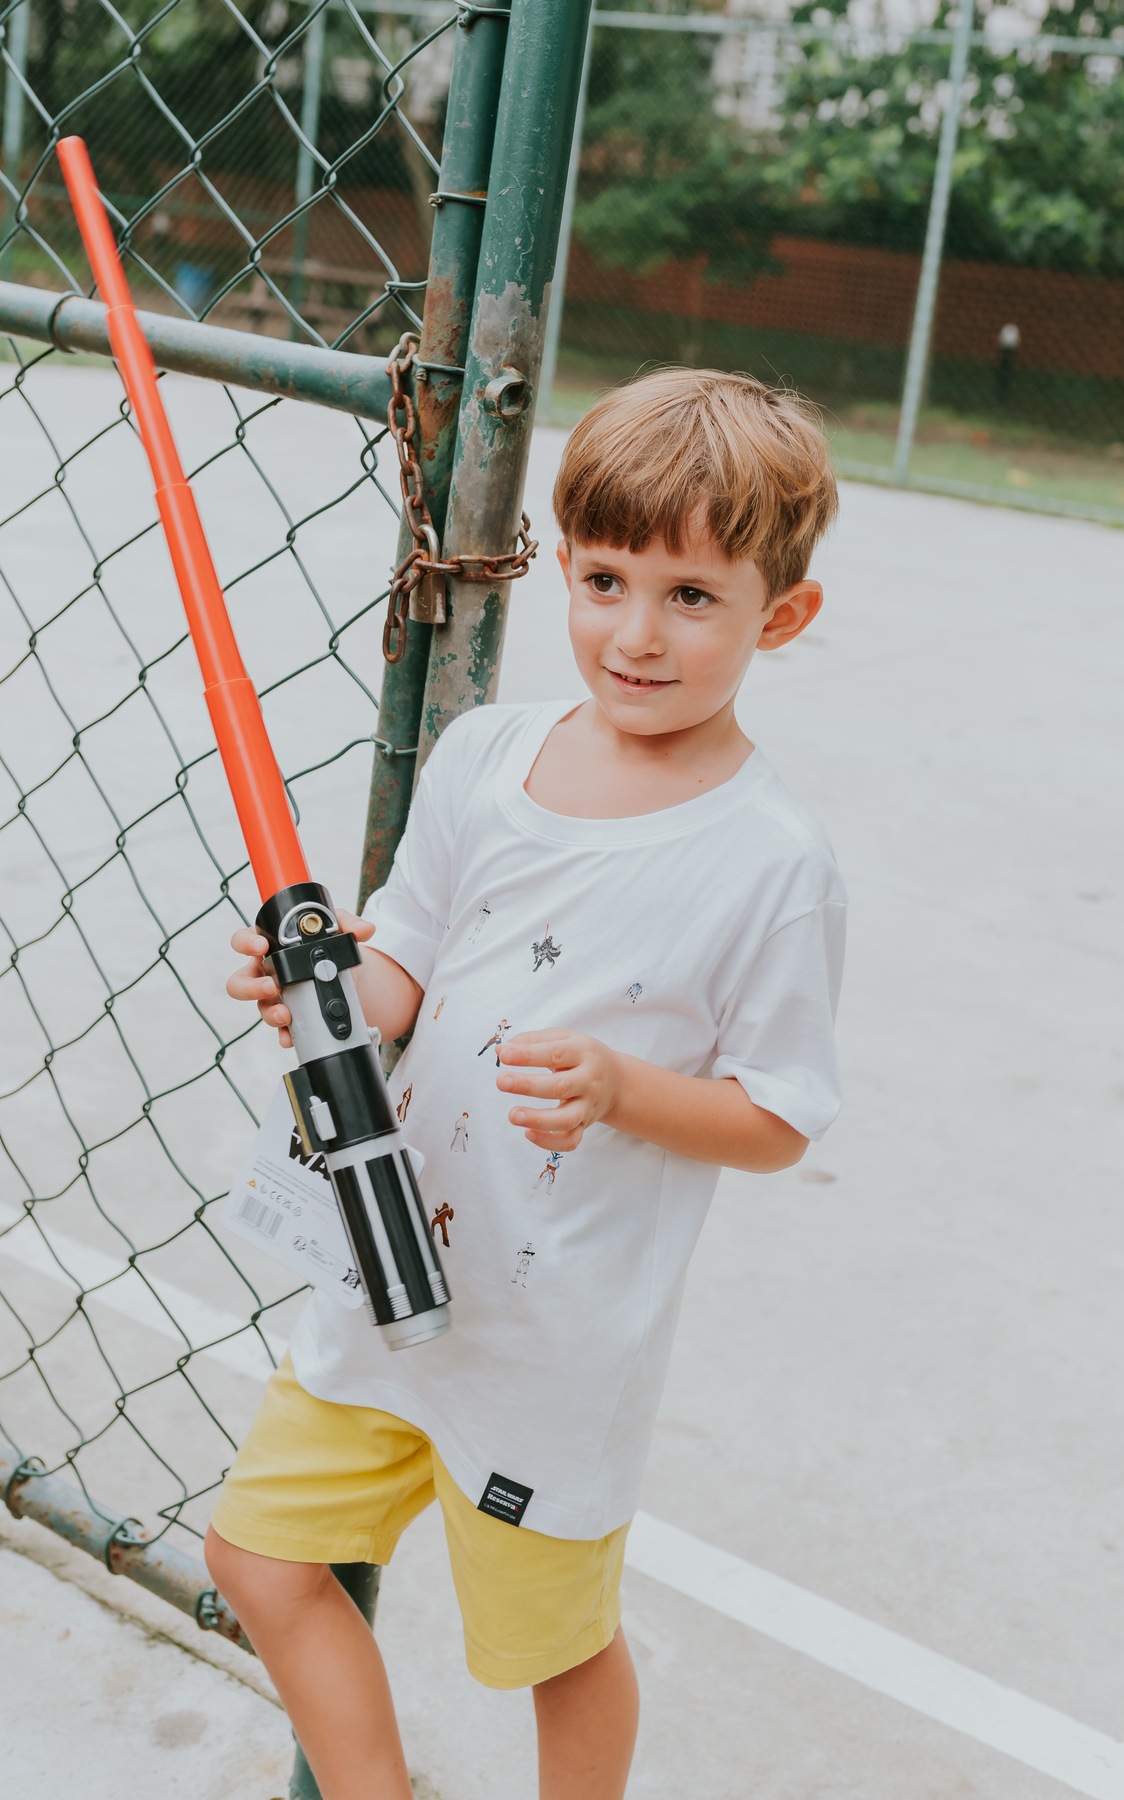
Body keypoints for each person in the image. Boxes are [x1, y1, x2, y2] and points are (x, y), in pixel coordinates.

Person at [206, 367, 845, 1800]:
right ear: (565, 564)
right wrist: (317, 1002)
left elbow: (781, 1118)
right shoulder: (490, 757)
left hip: (550, 1349)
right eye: (608, 578)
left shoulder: (771, 864)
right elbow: (403, 976)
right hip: (383, 1283)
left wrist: (625, 1089)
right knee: (258, 1557)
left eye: (692, 596)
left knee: (555, 1653)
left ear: (779, 616)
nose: (636, 632)